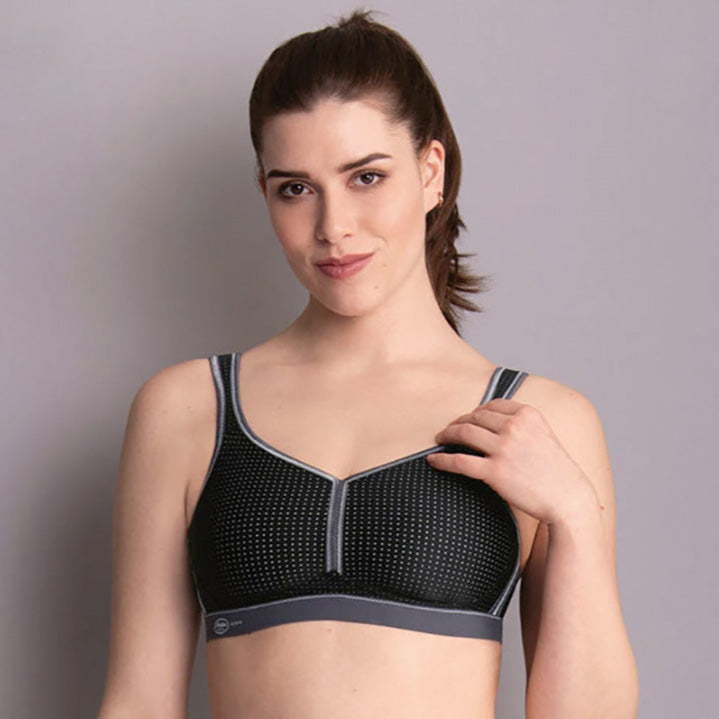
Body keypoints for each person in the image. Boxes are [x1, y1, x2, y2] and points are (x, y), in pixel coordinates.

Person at [97, 9, 639, 719]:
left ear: (430, 172)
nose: (334, 227)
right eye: (296, 188)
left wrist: (573, 514)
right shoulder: (187, 409)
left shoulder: (543, 421)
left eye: (366, 177)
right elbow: (138, 700)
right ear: (265, 194)